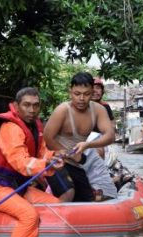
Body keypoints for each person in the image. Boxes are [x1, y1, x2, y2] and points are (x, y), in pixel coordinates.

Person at [0, 87, 66, 237]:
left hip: (16, 187)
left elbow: (42, 153)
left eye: (36, 105)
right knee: (29, 215)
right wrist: (46, 163)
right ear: (16, 106)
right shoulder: (10, 127)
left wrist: (55, 157)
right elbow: (20, 162)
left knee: (56, 205)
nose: (32, 110)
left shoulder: (35, 126)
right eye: (27, 105)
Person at [43, 72, 116, 201]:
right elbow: (48, 138)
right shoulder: (62, 110)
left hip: (78, 162)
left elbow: (110, 136)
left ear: (92, 92)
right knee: (68, 193)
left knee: (89, 200)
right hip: (58, 161)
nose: (81, 98)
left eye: (87, 94)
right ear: (70, 91)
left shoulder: (99, 110)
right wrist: (65, 153)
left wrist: (88, 145)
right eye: (77, 94)